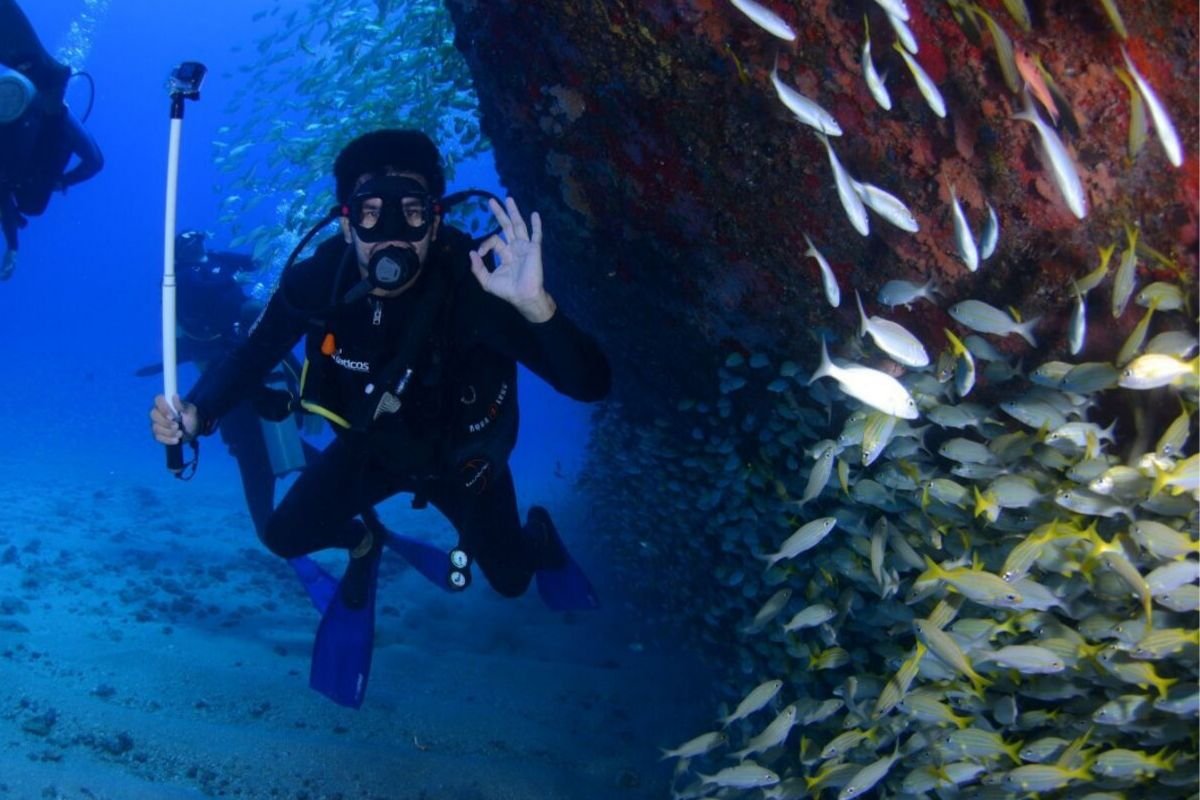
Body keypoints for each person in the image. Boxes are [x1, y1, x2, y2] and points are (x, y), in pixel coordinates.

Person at [150, 129, 609, 631]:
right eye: (370, 213)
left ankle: (537, 535)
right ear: (346, 226)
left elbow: (591, 385)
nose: (391, 235)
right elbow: (251, 354)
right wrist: (201, 411)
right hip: (370, 450)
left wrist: (536, 308)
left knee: (512, 579)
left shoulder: (476, 283)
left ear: (435, 223)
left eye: (411, 212)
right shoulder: (318, 281)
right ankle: (364, 542)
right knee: (282, 536)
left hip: (462, 462)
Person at [138, 230, 315, 538]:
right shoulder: (181, 277)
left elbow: (253, 263)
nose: (196, 247)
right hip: (225, 367)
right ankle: (283, 530)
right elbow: (204, 291)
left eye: (198, 241)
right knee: (250, 449)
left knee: (286, 443)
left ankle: (356, 525)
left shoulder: (218, 260)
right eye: (186, 244)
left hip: (259, 363)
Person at [0, 0, 103, 280]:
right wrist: (12, 246)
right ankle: (45, 90)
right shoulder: (15, 186)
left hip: (39, 110)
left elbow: (95, 161)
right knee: (52, 122)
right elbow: (95, 161)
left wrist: (13, 246)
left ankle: (48, 92)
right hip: (36, 107)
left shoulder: (19, 186)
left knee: (52, 123)